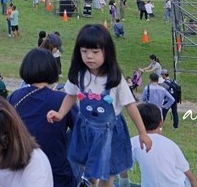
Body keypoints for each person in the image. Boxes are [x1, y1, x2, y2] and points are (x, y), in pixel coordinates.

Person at [47, 24, 152, 186]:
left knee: (107, 174)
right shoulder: (79, 76)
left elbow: (130, 105)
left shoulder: (114, 79)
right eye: (84, 51)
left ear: (106, 52)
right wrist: (60, 114)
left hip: (109, 132)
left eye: (95, 52)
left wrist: (143, 132)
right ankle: (91, 181)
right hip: (86, 130)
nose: (89, 56)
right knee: (87, 168)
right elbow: (70, 95)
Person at [9, 48, 76, 187]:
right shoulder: (62, 99)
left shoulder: (15, 97)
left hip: (18, 170)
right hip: (56, 174)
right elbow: (83, 129)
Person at [130, 103, 197, 187]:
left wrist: (124, 182)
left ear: (137, 123)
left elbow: (123, 168)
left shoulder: (133, 142)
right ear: (161, 122)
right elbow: (188, 173)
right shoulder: (170, 144)